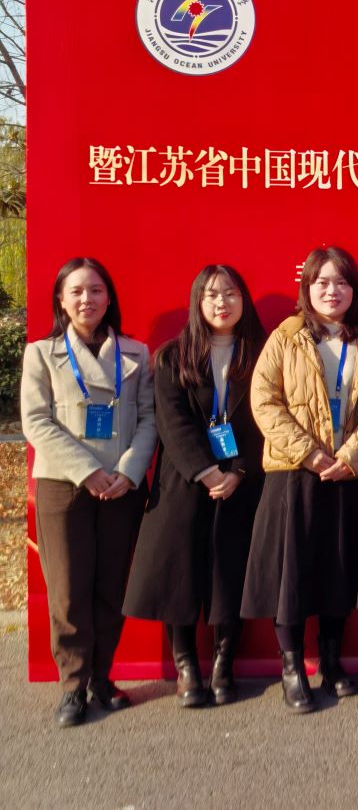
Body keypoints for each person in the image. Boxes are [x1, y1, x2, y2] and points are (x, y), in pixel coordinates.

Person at [240, 246, 358, 714]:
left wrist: (352, 455)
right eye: (322, 282)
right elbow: (264, 402)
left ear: (354, 290)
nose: (332, 291)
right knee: (291, 574)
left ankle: (332, 662)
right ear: (307, 288)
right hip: (294, 474)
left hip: (349, 474)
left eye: (341, 282)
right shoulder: (287, 336)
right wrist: (312, 455)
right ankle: (293, 667)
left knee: (339, 569)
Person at [21, 258, 157, 727]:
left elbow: (149, 419)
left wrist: (128, 472)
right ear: (60, 300)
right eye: (76, 291)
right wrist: (87, 472)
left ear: (109, 297)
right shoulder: (42, 354)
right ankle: (73, 685)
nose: (87, 299)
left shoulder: (136, 353)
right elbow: (36, 421)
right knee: (68, 588)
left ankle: (102, 677)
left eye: (96, 290)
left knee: (110, 585)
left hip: (122, 486)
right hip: (65, 485)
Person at [123, 265, 267, 709]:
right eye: (211, 295)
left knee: (232, 572)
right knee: (178, 574)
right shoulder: (173, 356)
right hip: (184, 482)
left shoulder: (263, 353)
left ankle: (224, 664)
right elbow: (172, 422)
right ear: (197, 303)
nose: (222, 302)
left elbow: (267, 418)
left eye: (230, 293)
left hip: (243, 481)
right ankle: (186, 665)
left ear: (243, 299)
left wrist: (238, 471)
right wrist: (206, 472)